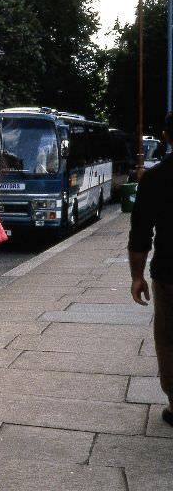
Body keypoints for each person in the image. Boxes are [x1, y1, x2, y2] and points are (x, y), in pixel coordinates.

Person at [129, 111, 173, 428]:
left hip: (169, 272)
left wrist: (136, 276)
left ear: (167, 137)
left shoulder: (156, 178)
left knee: (169, 339)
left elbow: (141, 232)